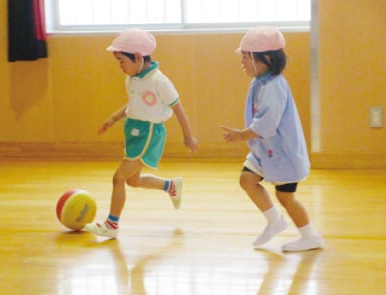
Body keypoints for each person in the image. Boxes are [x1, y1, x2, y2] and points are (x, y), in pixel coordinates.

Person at [86, 28, 198, 238]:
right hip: (134, 130)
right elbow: (132, 103)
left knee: (118, 178)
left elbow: (178, 108)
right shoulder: (133, 78)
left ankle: (112, 225)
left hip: (149, 133)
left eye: (122, 61)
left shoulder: (159, 81)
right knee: (132, 181)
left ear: (137, 57)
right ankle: (171, 186)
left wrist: (188, 136)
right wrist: (112, 119)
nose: (120, 67)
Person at [221, 27, 323, 252]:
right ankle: (275, 221)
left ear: (264, 59)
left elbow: (266, 125)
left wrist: (241, 134)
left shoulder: (274, 86)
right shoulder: (261, 81)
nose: (242, 62)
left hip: (282, 152)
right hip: (266, 149)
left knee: (286, 196)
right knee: (247, 180)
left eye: (246, 57)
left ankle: (310, 236)